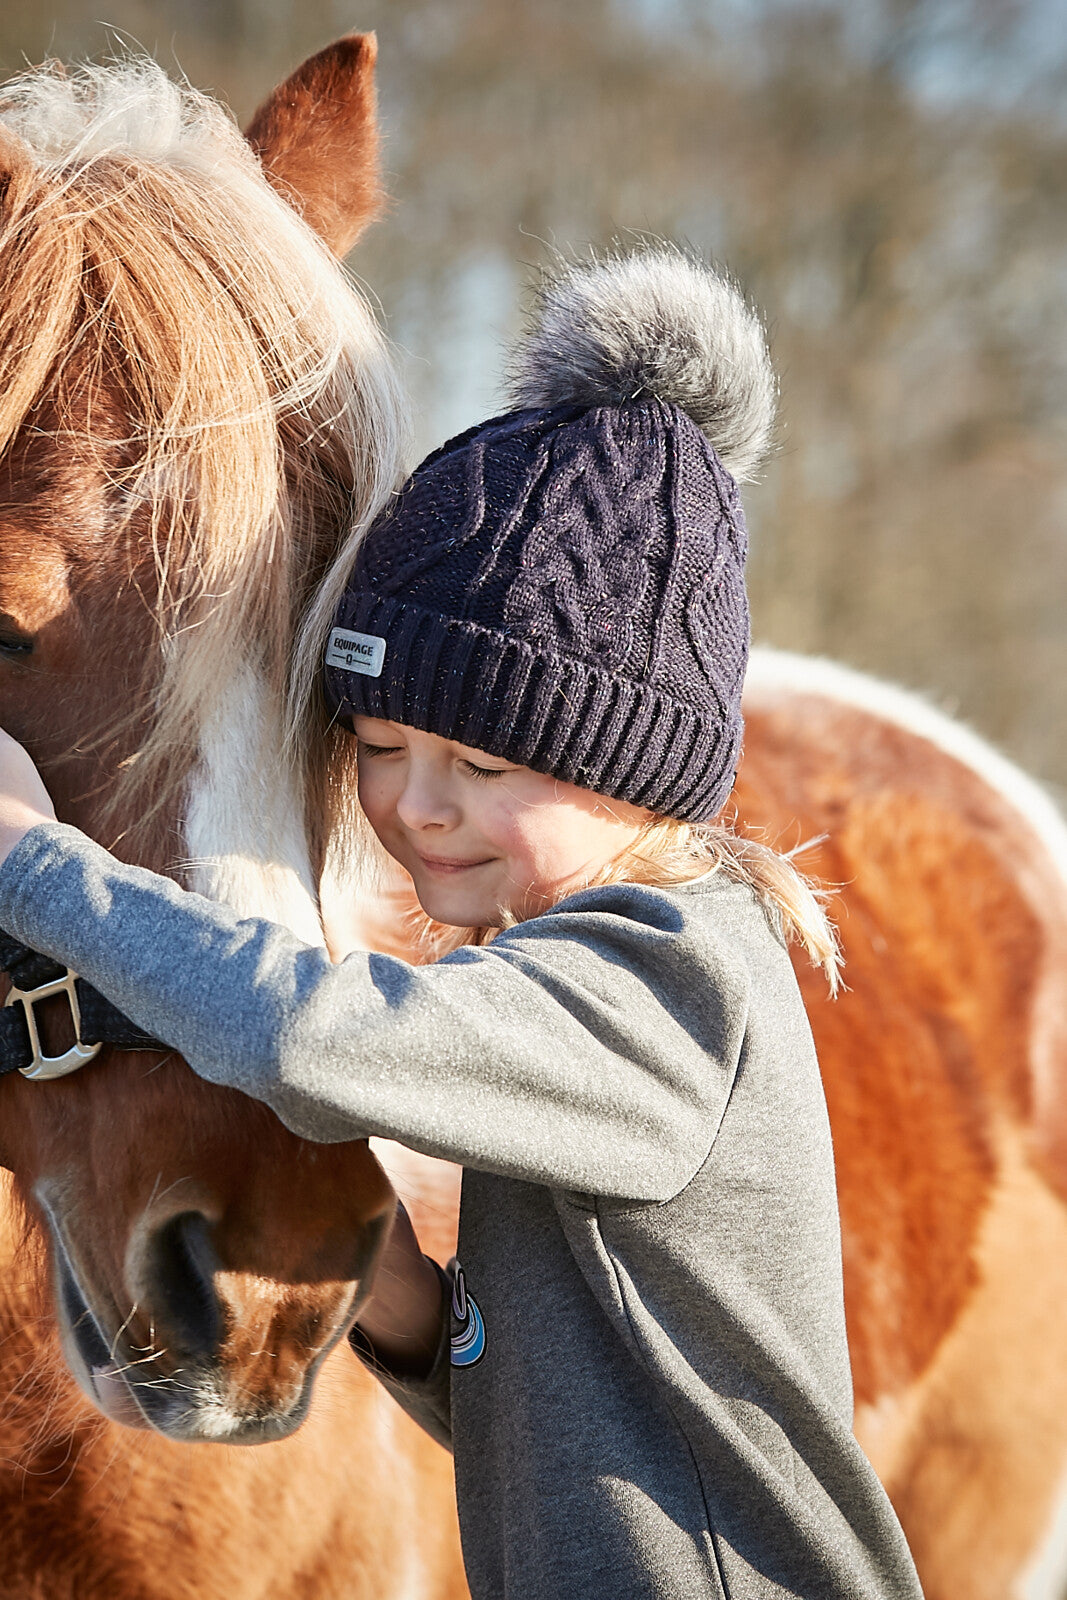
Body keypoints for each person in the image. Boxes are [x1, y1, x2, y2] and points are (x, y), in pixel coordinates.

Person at [0, 246, 923, 1600]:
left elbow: (311, 1033)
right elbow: (535, 1423)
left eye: (486, 768)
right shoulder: (560, 979)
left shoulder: (670, 982)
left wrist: (31, 864)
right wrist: (378, 1287)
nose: (418, 807)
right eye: (375, 746)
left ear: (636, 767)